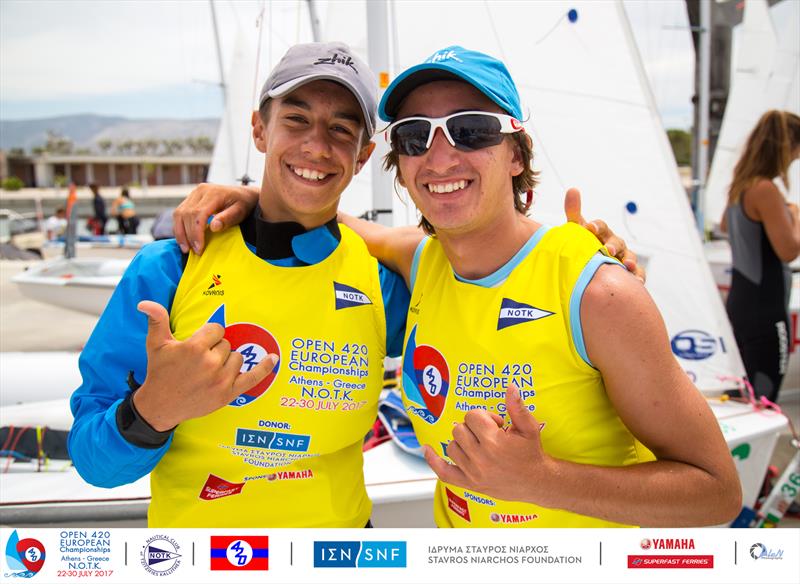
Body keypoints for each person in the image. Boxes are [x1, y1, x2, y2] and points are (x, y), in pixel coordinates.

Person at [180, 46, 741, 528]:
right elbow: (326, 215)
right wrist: (248, 197)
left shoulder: (597, 292)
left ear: (516, 154)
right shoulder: (423, 261)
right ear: (399, 163)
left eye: (471, 129)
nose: (440, 156)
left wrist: (543, 481)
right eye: (415, 136)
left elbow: (718, 491)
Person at [68, 42, 409, 528]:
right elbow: (92, 462)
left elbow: (458, 270)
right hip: (200, 561)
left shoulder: (380, 284)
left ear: (362, 157)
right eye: (296, 119)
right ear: (258, 129)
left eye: (341, 129)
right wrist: (151, 412)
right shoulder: (170, 268)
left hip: (342, 556)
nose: (317, 145)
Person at [721, 110, 800, 403]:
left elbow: (725, 226)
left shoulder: (739, 187)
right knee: (763, 401)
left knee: (740, 396)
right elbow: (789, 251)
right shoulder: (765, 190)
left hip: (740, 307)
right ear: (786, 148)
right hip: (766, 315)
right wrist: (794, 215)